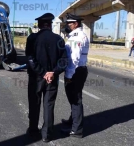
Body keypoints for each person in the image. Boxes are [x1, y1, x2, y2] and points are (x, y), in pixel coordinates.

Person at [25, 13, 68, 142]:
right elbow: (64, 61)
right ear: (50, 25)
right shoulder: (59, 39)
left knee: (34, 104)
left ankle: (33, 130)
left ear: (39, 25)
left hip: (36, 78)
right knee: (49, 105)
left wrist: (42, 73)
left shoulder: (32, 38)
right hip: (52, 78)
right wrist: (52, 73)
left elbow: (30, 58)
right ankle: (47, 135)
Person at [61, 13, 89, 138]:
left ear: (75, 24)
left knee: (76, 100)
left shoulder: (77, 37)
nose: (67, 25)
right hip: (77, 71)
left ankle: (77, 130)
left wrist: (68, 75)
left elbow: (74, 58)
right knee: (73, 99)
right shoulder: (74, 35)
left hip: (76, 71)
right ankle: (73, 121)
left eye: (69, 23)